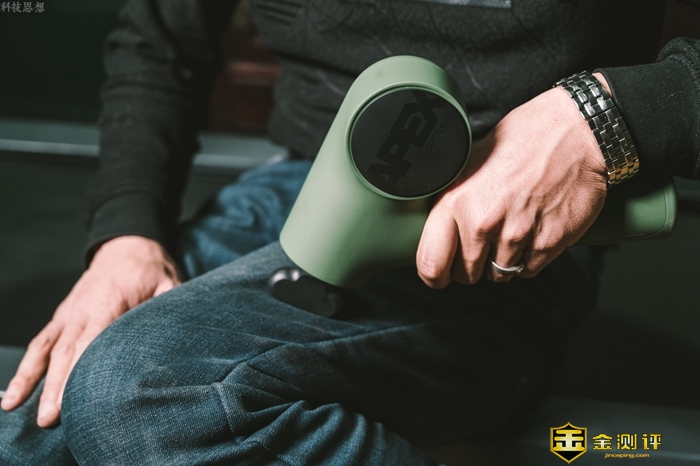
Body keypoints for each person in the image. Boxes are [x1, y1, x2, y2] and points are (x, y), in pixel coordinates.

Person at [1, 0, 698, 464]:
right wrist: (125, 235)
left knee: (136, 395)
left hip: (510, 226)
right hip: (300, 189)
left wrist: (602, 119)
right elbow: (158, 44)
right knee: (24, 438)